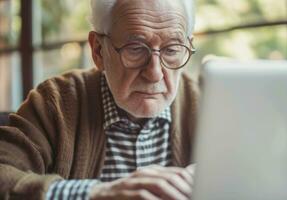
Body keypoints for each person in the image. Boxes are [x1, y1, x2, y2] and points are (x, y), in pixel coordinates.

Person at [0, 0, 200, 199]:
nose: (154, 73)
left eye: (172, 49)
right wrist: (97, 194)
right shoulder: (55, 103)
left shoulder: (209, 103)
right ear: (98, 51)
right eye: (136, 48)